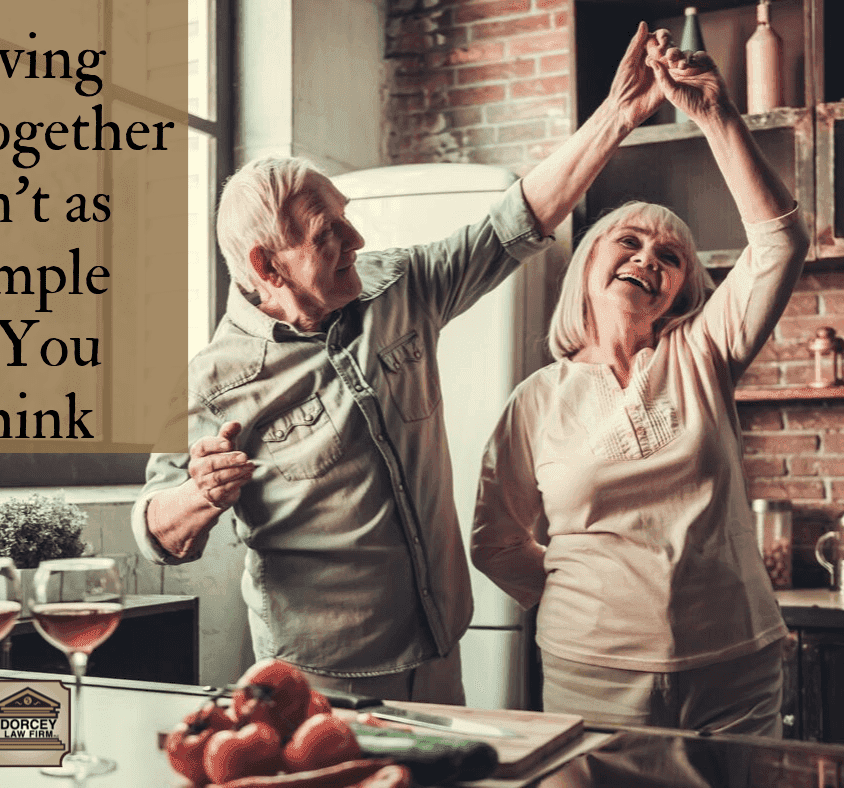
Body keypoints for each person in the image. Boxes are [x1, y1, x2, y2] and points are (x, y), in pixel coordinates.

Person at [132, 23, 675, 703]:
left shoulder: (399, 287)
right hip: (321, 676)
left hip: (441, 644)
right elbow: (157, 534)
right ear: (266, 266)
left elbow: (515, 220)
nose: (358, 239)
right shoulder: (210, 381)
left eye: (346, 217)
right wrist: (199, 495)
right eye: (330, 233)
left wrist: (617, 115)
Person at [471, 39, 809, 734]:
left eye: (671, 256)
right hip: (588, 673)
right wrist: (587, 602)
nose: (648, 257)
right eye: (628, 241)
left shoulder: (703, 352)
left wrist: (715, 116)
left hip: (734, 667)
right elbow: (496, 542)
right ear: (588, 264)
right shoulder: (536, 399)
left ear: (684, 288)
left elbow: (778, 242)